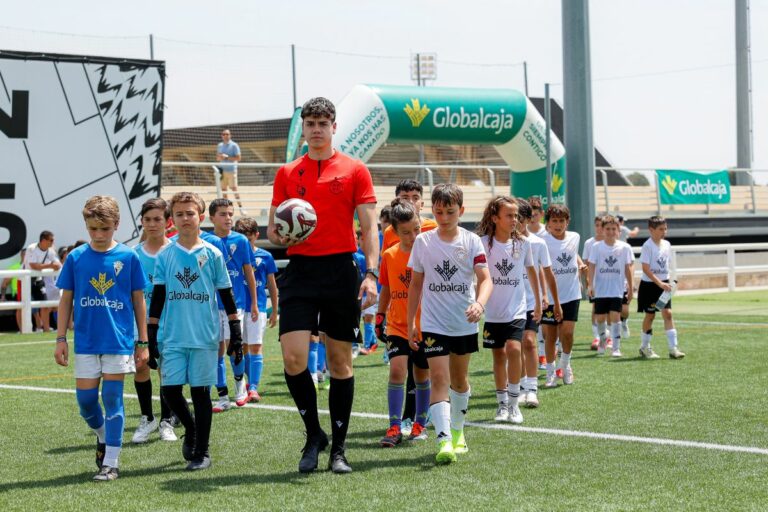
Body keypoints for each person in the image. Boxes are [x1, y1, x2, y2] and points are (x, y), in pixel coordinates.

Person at [267, 97, 378, 474]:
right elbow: (273, 231)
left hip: (339, 271)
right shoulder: (286, 172)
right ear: (304, 128)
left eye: (322, 123)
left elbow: (369, 226)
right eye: (310, 123)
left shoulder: (354, 169)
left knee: (339, 362)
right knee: (294, 358)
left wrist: (371, 273)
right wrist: (289, 229)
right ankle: (314, 434)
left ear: (333, 127)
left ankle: (339, 449)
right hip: (300, 271)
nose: (316, 129)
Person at [53, 196, 149, 481]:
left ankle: (111, 463)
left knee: (112, 397)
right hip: (85, 341)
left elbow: (138, 300)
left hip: (117, 341)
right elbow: (65, 299)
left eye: (104, 229)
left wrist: (142, 341)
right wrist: (60, 339)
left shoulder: (128, 257)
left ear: (116, 225)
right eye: (92, 228)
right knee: (85, 402)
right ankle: (104, 436)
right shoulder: (76, 257)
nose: (98, 234)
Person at [148, 191, 242, 471]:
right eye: (179, 214)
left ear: (200, 217)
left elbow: (226, 294)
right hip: (173, 336)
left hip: (204, 336)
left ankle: (202, 452)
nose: (185, 218)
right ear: (171, 220)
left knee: (201, 394)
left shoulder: (212, 253)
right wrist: (151, 337)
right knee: (170, 391)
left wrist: (235, 331)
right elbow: (158, 297)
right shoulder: (165, 255)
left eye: (190, 213)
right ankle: (191, 428)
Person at [407, 183, 491, 464]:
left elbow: (485, 279)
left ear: (461, 211)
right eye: (439, 211)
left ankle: (458, 432)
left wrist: (479, 303)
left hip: (464, 322)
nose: (443, 217)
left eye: (450, 212)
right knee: (439, 379)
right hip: (433, 323)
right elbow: (416, 285)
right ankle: (443, 441)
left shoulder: (471, 241)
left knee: (459, 380)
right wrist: (411, 323)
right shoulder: (423, 241)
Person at [477, 196, 541, 424]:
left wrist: (539, 302)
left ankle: (514, 404)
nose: (514, 220)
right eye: (509, 215)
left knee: (515, 349)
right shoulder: (482, 243)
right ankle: (501, 404)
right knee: (498, 356)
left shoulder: (523, 243)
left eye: (516, 216)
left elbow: (532, 273)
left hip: (517, 310)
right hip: (493, 312)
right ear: (495, 218)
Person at [381, 179, 438, 432]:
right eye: (405, 196)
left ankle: (421, 421)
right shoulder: (389, 251)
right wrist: (380, 314)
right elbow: (387, 283)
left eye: (415, 196)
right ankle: (396, 424)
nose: (413, 236)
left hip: (426, 322)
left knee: (424, 374)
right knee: (398, 371)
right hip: (398, 323)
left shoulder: (432, 233)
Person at [131, 198, 177, 444]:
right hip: (140, 326)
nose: (152, 224)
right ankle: (147, 417)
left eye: (157, 219)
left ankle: (166, 421)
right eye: (147, 219)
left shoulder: (175, 253)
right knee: (140, 368)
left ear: (168, 222)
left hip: (169, 324)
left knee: (166, 372)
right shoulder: (133, 255)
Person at [209, 198, 258, 412]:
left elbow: (249, 272)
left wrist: (254, 303)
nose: (228, 218)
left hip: (234, 303)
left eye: (230, 214)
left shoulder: (241, 240)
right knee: (214, 350)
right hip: (210, 305)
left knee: (234, 346)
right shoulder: (205, 241)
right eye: (223, 214)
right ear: (211, 218)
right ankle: (221, 396)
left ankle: (240, 387)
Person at [516, 198, 560, 408]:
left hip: (530, 303)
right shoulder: (501, 242)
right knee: (513, 348)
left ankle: (532, 389)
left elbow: (547, 272)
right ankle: (520, 387)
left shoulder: (538, 243)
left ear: (528, 219)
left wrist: (551, 300)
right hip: (508, 304)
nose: (515, 222)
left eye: (519, 218)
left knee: (529, 341)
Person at [233, 217, 279, 403]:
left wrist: (274, 311)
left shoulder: (265, 256)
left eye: (249, 237)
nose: (245, 240)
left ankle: (253, 388)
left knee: (256, 346)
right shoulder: (231, 255)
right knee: (241, 348)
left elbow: (272, 286)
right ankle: (244, 383)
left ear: (256, 236)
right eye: (241, 236)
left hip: (257, 307)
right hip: (236, 307)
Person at [540, 204, 585, 387]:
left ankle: (564, 366)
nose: (558, 225)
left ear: (567, 222)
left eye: (562, 221)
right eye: (554, 221)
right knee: (550, 336)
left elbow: (573, 253)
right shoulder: (542, 241)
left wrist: (580, 264)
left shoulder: (575, 237)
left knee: (567, 334)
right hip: (550, 297)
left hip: (572, 294)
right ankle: (550, 372)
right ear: (548, 223)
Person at [637, 216, 685, 359]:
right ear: (651, 230)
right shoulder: (647, 246)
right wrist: (660, 283)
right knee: (650, 316)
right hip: (650, 286)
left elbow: (665, 266)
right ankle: (645, 347)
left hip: (663, 285)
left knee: (668, 313)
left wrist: (670, 282)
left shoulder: (667, 244)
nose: (664, 231)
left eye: (665, 228)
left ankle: (673, 348)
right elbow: (646, 269)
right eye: (661, 229)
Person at [587, 215, 634, 357]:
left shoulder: (625, 247)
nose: (611, 231)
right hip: (600, 290)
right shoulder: (596, 247)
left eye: (614, 229)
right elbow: (591, 266)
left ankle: (616, 347)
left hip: (617, 289)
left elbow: (628, 268)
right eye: (607, 228)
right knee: (600, 319)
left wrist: (631, 287)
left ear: (618, 230)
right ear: (602, 229)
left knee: (615, 317)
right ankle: (602, 340)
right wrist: (590, 285)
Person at [25, 231, 62, 332]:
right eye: (51, 240)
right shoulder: (32, 248)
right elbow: (33, 265)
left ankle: (46, 329)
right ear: (44, 240)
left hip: (38, 280)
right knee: (22, 307)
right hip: (25, 281)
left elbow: (58, 265)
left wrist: (50, 265)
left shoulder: (50, 250)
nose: (53, 242)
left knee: (45, 305)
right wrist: (50, 266)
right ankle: (24, 329)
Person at [583, 215, 606, 350]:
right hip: (595, 282)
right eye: (596, 225)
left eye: (601, 226)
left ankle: (607, 335)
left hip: (608, 283)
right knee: (596, 308)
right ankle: (597, 336)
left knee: (608, 310)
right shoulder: (589, 243)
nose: (599, 228)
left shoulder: (611, 243)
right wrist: (588, 280)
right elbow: (586, 264)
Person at [216, 129, 246, 215]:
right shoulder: (220, 145)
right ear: (221, 136)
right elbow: (218, 158)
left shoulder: (234, 145)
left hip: (231, 170)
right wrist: (221, 157)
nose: (225, 136)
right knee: (224, 190)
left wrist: (227, 157)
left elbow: (238, 158)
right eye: (223, 134)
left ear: (230, 135)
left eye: (227, 134)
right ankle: (226, 209)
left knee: (234, 189)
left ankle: (241, 207)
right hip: (222, 170)